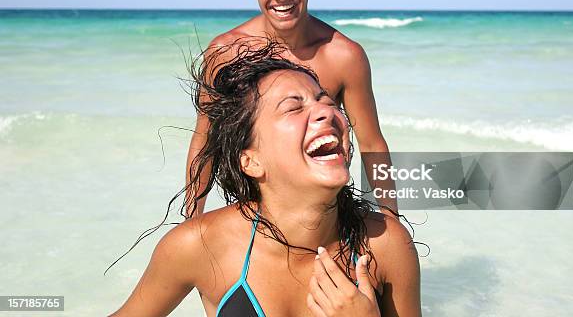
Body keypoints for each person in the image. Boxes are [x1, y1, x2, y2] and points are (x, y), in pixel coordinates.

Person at [112, 44, 420, 316]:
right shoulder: (200, 246)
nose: (326, 113)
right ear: (251, 160)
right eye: (294, 107)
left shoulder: (385, 246)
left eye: (326, 101)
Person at [185, 0, 397, 216]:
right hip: (254, 210)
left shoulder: (344, 56)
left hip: (325, 210)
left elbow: (372, 143)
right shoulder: (226, 52)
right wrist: (191, 218)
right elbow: (205, 139)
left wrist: (391, 219)